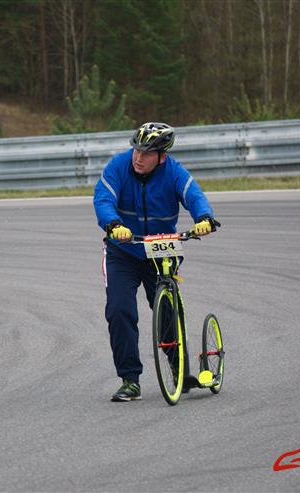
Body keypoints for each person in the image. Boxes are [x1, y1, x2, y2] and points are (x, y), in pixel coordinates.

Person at [93, 122, 217, 402]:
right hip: (123, 251)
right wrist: (113, 224)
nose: (138, 157)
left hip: (161, 250)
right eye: (136, 150)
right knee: (119, 310)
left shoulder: (174, 172)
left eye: (147, 153)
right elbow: (103, 199)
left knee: (167, 313)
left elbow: (194, 196)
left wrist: (204, 218)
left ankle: (178, 369)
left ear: (162, 156)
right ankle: (130, 380)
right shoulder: (118, 166)